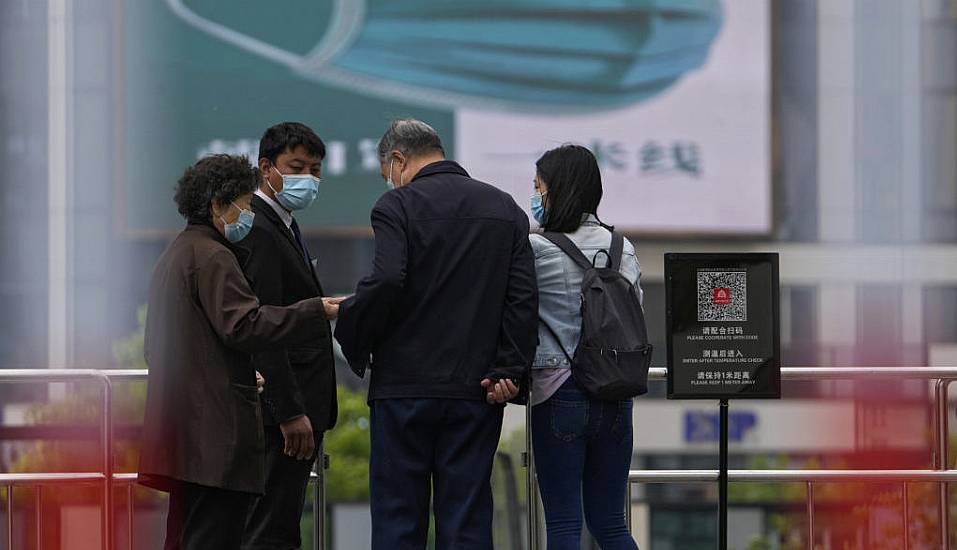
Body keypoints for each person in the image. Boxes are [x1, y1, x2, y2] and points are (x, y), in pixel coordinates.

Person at [334, 119, 538, 549]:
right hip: (476, 389)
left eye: (386, 173)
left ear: (397, 160)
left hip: (403, 390)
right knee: (466, 518)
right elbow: (522, 300)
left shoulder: (397, 207)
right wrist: (510, 369)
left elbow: (387, 279)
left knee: (398, 518)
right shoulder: (505, 210)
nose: (390, 182)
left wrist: (352, 327)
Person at [138, 154, 339, 550]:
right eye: (244, 204)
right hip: (215, 441)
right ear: (218, 204)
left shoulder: (177, 253)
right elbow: (244, 325)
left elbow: (165, 346)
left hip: (184, 438)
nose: (247, 213)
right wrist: (313, 311)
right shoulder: (214, 257)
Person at [528, 145, 642, 549]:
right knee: (611, 523)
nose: (534, 196)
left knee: (563, 524)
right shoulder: (622, 247)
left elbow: (516, 313)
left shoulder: (536, 249)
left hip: (559, 389)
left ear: (556, 189)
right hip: (615, 392)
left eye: (537, 187)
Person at [236, 122, 338, 550]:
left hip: (301, 408)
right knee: (271, 530)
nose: (308, 179)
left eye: (315, 170)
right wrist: (288, 410)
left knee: (283, 524)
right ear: (266, 168)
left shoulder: (284, 225)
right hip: (284, 416)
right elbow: (265, 326)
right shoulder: (259, 228)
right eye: (296, 167)